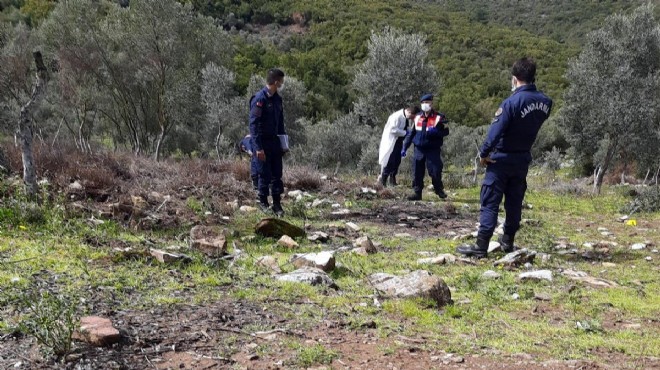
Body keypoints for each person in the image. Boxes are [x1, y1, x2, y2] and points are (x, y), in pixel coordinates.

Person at [457, 57, 553, 258]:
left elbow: (495, 132)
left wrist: (483, 154)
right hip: (522, 158)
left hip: (500, 159)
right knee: (514, 201)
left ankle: (481, 246)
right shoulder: (545, 102)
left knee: (490, 201)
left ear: (515, 78)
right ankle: (508, 240)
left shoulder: (511, 103)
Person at [249, 68, 287, 217]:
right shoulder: (259, 99)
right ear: (276, 82)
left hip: (275, 143)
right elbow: (254, 125)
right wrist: (258, 148)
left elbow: (281, 123)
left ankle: (277, 204)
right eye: (281, 81)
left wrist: (284, 144)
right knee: (263, 174)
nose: (282, 84)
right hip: (262, 143)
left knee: (277, 174)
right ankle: (263, 202)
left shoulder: (278, 99)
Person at [401, 94, 449, 201]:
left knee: (435, 171)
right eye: (423, 103)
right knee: (417, 172)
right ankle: (417, 193)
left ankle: (438, 189)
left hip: (433, 149)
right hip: (419, 149)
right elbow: (412, 133)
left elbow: (446, 131)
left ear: (431, 103)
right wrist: (405, 147)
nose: (425, 105)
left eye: (427, 102)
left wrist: (437, 132)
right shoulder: (417, 117)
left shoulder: (439, 117)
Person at [378, 106, 420, 187]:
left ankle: (392, 180)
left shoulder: (405, 118)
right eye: (412, 117)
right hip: (391, 141)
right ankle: (383, 182)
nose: (412, 119)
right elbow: (392, 130)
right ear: (410, 112)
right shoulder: (396, 116)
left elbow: (406, 128)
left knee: (397, 161)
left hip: (399, 142)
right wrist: (405, 133)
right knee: (390, 161)